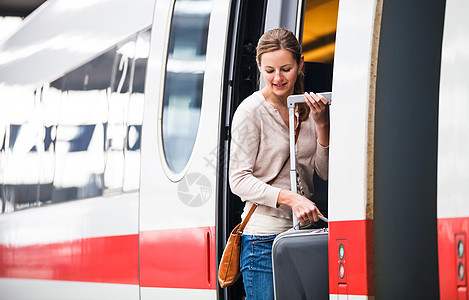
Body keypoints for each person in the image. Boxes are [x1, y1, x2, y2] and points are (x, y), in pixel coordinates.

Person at [228, 28, 330, 300]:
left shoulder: (309, 108)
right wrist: (291, 199)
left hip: (303, 234)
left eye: (286, 68)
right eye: (270, 70)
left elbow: (324, 172)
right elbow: (238, 179)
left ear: (300, 64)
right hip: (262, 241)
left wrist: (322, 125)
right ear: (259, 66)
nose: (278, 78)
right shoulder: (251, 112)